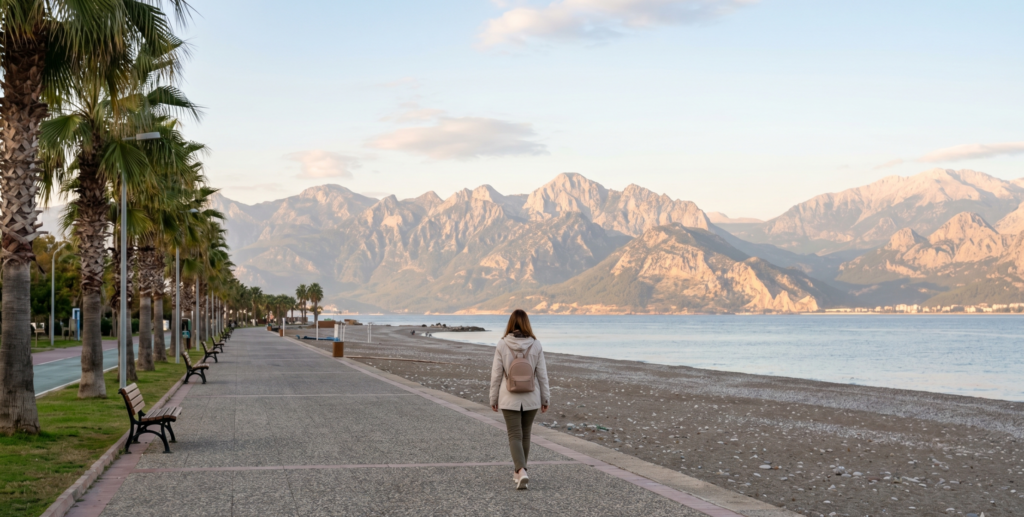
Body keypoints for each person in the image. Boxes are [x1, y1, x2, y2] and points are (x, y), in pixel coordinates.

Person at [489, 309, 550, 490]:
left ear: (510, 323)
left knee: (514, 435)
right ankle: (520, 471)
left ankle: (520, 470)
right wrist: (545, 398)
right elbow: (542, 375)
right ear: (527, 324)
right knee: (526, 434)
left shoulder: (502, 344)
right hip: (531, 397)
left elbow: (496, 375)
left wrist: (493, 397)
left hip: (509, 397)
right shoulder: (536, 345)